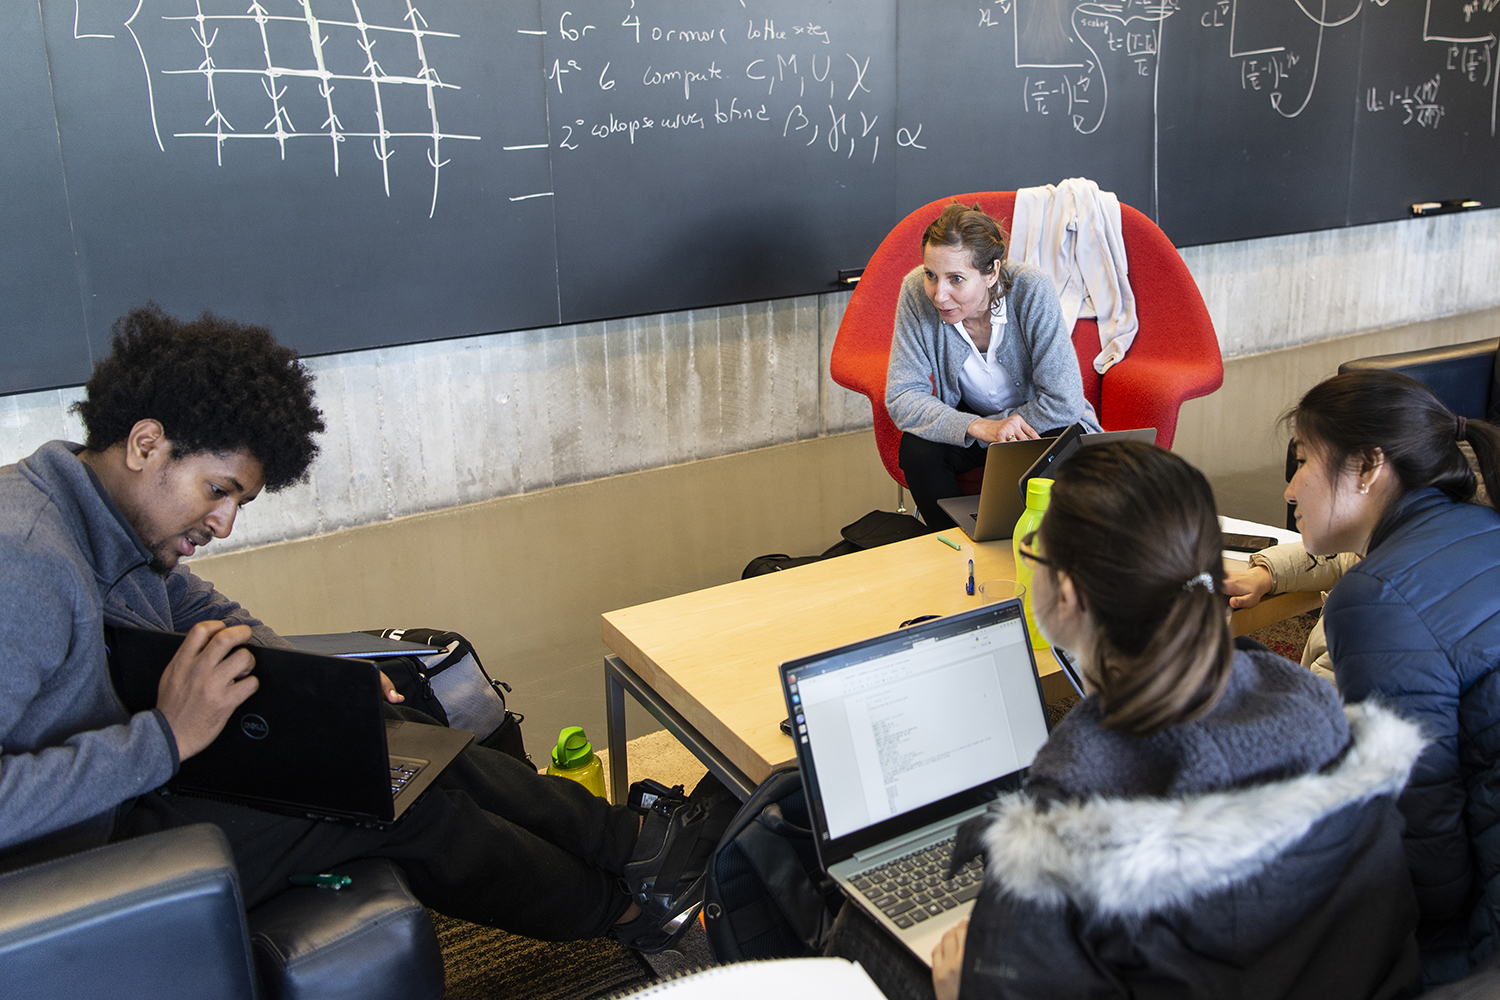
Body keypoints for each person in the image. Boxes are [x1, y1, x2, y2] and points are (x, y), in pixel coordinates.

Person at [0, 305, 699, 951]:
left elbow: (198, 608)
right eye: (217, 491)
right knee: (395, 809)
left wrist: (320, 691)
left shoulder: (109, 521)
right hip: (78, 855)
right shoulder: (25, 565)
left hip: (138, 786)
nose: (223, 524)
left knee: (387, 740)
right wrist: (164, 739)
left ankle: (634, 840)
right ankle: (628, 912)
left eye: (238, 501)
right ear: (147, 445)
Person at [826, 441, 1424, 1000]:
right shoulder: (1307, 699)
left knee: (864, 935)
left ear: (1068, 598)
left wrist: (968, 985)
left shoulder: (1069, 806)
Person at [1284, 369, 1500, 984]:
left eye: (1302, 462)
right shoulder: (1483, 525)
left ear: (1369, 467)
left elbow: (1427, 858)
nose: (1293, 488)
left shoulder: (1375, 596)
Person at [885, 202, 1101, 530]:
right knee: (918, 449)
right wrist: (979, 427)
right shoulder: (916, 292)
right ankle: (954, 546)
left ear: (992, 272)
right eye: (931, 274)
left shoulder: (1032, 289)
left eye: (956, 279)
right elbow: (902, 397)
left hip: (1039, 425)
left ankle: (1040, 546)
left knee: (1063, 442)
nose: (939, 295)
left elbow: (1064, 401)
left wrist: (1001, 427)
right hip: (972, 428)